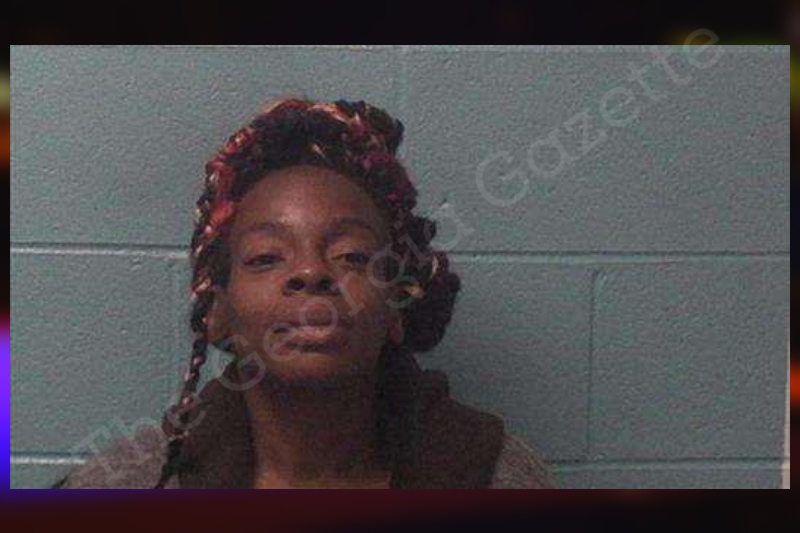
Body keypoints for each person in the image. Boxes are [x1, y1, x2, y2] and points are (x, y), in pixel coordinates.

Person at [54, 98, 556, 489]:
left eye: (352, 256)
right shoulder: (132, 482)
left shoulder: (496, 476)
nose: (312, 272)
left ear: (397, 306)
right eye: (266, 257)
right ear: (217, 311)